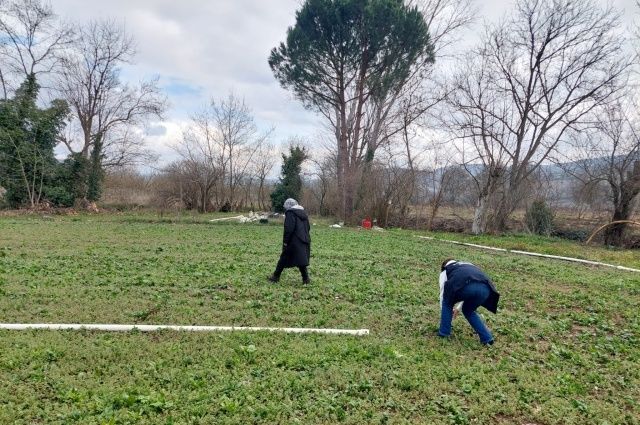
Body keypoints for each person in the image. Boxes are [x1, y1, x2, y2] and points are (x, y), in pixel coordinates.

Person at [438, 258, 500, 345]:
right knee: (468, 310)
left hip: (466, 288)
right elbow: (471, 286)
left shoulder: (446, 270)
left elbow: (443, 292)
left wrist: (446, 310)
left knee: (447, 302)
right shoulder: (468, 264)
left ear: (444, 266)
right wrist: (458, 308)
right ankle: (487, 339)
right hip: (486, 290)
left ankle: (444, 333)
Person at [268, 198, 311, 284]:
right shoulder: (303, 213)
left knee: (283, 258)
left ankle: (275, 276)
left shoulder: (290, 213)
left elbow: (289, 229)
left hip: (294, 240)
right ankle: (306, 279)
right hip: (304, 239)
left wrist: (285, 241)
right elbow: (308, 227)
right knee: (301, 259)